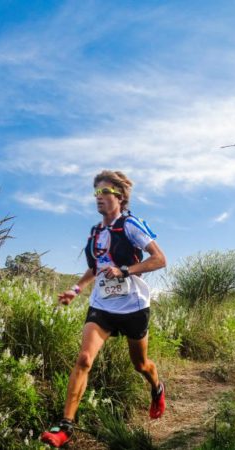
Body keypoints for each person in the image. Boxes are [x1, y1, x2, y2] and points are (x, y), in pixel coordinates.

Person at [40, 170, 167, 448]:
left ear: (119, 196)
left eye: (105, 192)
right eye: (96, 193)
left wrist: (125, 271)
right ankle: (65, 427)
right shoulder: (96, 232)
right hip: (102, 305)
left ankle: (157, 387)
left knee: (140, 364)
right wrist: (76, 290)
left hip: (133, 305)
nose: (99, 198)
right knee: (84, 359)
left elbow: (159, 259)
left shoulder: (130, 225)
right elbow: (95, 267)